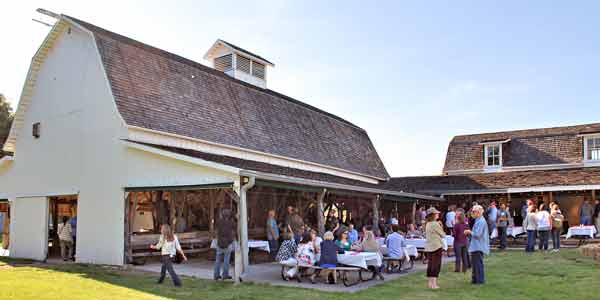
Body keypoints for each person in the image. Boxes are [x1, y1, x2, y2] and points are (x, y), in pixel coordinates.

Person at [465, 205, 489, 285]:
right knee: (475, 264)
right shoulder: (478, 220)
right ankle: (475, 279)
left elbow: (478, 234)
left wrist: (469, 232)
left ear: (478, 212)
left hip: (478, 246)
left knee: (478, 264)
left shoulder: (481, 221)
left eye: (473, 212)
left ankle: (479, 280)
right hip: (476, 245)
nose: (472, 213)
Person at [424, 207, 445, 289]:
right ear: (433, 215)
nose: (438, 214)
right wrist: (441, 225)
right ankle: (434, 284)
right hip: (436, 246)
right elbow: (443, 234)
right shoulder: (435, 224)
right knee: (436, 265)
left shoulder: (428, 224)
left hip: (429, 247)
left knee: (430, 265)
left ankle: (430, 283)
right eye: (436, 213)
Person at [214, 209, 235, 280]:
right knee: (226, 260)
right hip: (227, 243)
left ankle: (216, 275)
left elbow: (216, 231)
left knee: (218, 260)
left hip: (219, 242)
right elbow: (234, 230)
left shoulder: (218, 222)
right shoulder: (231, 223)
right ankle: (225, 275)